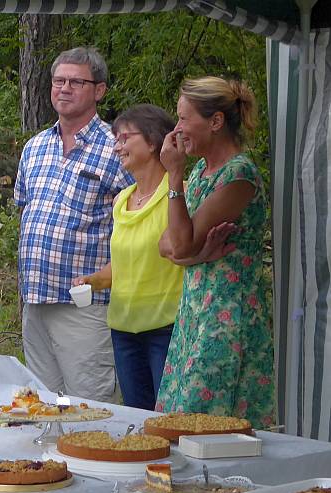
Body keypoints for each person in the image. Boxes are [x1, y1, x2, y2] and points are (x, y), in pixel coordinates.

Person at [72, 105, 235, 410]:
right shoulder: (122, 200)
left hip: (167, 329)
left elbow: (187, 251)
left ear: (152, 142)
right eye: (115, 140)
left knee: (169, 419)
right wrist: (92, 281)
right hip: (123, 331)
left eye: (124, 138)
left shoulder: (180, 193)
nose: (117, 147)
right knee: (138, 419)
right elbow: (124, 265)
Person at [156, 76, 275, 428]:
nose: (177, 129)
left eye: (182, 118)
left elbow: (177, 243)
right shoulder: (203, 175)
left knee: (203, 423)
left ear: (216, 121)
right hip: (196, 311)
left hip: (227, 315)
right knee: (178, 423)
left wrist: (174, 175)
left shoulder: (239, 175)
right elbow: (166, 244)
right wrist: (197, 256)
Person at [15, 47, 133, 401]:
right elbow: (25, 214)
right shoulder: (35, 147)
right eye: (58, 81)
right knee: (41, 406)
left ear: (99, 90)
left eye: (76, 82)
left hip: (85, 304)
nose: (64, 89)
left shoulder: (119, 148)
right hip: (35, 301)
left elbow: (140, 222)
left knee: (90, 405)